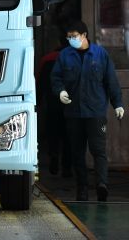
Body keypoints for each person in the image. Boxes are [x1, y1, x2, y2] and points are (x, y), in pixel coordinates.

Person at [50, 19, 124, 201]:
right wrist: (60, 91)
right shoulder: (65, 55)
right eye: (69, 37)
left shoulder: (100, 54)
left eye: (74, 36)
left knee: (98, 151)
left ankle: (102, 185)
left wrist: (118, 103)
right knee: (77, 153)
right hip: (73, 113)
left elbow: (111, 81)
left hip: (95, 112)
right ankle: (82, 188)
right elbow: (56, 78)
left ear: (84, 35)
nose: (71, 39)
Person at [35, 35, 72, 176]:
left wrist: (37, 102)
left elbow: (39, 82)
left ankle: (54, 156)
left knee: (53, 133)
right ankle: (67, 167)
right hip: (70, 104)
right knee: (68, 135)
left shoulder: (47, 59)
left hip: (52, 103)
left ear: (58, 42)